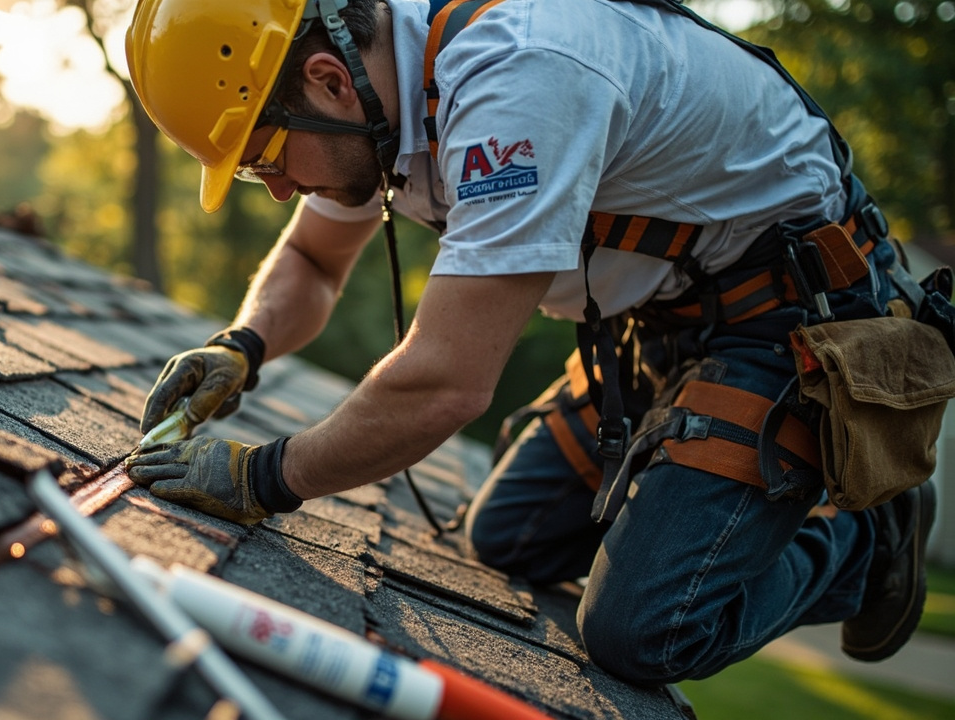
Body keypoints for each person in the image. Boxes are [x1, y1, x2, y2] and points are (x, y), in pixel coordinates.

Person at [123, 0, 941, 683]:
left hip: (787, 316)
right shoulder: (373, 106)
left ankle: (865, 539)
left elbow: (447, 382)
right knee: (508, 535)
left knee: (643, 632)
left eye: (264, 156)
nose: (275, 188)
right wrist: (244, 344)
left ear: (328, 80)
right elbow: (311, 258)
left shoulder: (519, 76)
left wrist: (261, 476)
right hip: (661, 321)